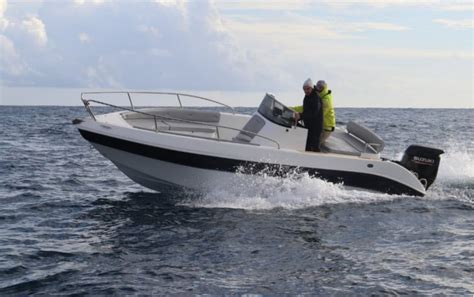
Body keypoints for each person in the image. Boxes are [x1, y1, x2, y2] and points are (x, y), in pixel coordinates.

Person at [295, 78, 323, 152]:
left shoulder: (316, 97)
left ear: (311, 88)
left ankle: (316, 161)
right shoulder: (307, 96)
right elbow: (306, 110)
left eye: (308, 89)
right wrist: (298, 117)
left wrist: (301, 116)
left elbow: (314, 112)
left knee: (314, 146)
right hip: (308, 125)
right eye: (304, 89)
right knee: (307, 145)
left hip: (316, 127)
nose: (306, 91)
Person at [315, 80, 335, 146]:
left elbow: (318, 115)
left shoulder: (326, 99)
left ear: (324, 88)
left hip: (326, 128)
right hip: (322, 126)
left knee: (314, 144)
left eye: (320, 87)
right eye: (317, 87)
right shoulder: (321, 96)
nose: (318, 89)